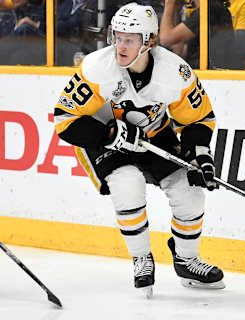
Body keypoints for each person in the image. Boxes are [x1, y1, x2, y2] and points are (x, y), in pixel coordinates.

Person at [53, 2, 225, 297]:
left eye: (129, 40)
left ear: (150, 41)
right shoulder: (97, 68)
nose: (120, 45)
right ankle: (142, 258)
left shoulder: (175, 73)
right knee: (127, 184)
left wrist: (201, 154)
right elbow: (65, 119)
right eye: (117, 37)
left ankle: (186, 259)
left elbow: (197, 118)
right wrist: (109, 132)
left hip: (153, 135)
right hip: (104, 139)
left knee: (190, 191)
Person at [159, 0, 236, 69]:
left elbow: (165, 39)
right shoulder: (214, 9)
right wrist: (175, 9)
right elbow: (179, 51)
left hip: (206, 76)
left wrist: (169, 4)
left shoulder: (207, 11)